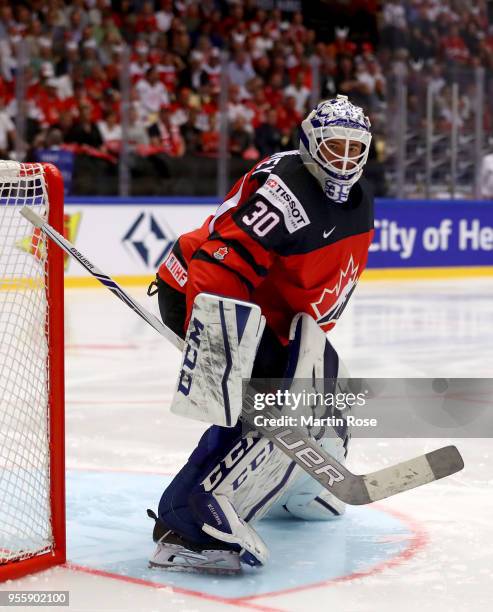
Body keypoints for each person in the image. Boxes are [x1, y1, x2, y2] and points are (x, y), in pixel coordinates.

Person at [148, 95, 374, 573]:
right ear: (310, 145)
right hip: (203, 291)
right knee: (262, 404)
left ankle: (302, 489)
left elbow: (323, 284)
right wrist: (218, 357)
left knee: (329, 387)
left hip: (265, 312)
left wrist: (301, 348)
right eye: (335, 149)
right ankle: (185, 520)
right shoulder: (285, 192)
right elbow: (219, 263)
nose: (345, 162)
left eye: (356, 151)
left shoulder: (360, 201)